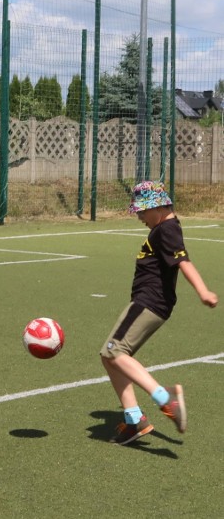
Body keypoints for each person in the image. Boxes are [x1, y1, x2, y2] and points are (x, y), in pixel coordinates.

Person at [102, 181, 217, 445]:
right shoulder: (164, 228)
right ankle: (134, 421)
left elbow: (183, 261)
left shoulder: (166, 229)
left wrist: (203, 291)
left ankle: (165, 398)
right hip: (150, 303)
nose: (140, 217)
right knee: (109, 356)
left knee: (114, 351)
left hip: (148, 302)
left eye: (142, 211)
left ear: (158, 206)